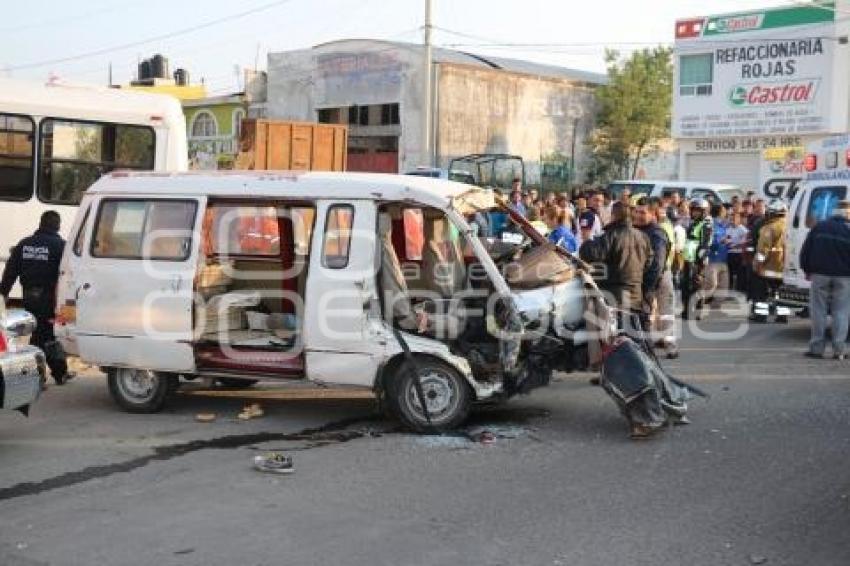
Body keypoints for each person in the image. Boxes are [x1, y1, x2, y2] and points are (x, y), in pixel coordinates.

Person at [0, 211, 73, 385]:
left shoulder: (24, 244)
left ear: (41, 224)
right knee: (46, 335)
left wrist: (3, 293)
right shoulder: (60, 246)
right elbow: (69, 273)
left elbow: (10, 271)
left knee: (40, 334)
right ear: (57, 225)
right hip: (48, 298)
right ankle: (47, 375)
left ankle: (52, 374)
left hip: (29, 297)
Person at [579, 201, 653, 334]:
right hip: (635, 294)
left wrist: (586, 240)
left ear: (614, 215)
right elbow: (649, 262)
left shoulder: (611, 235)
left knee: (615, 338)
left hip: (614, 295)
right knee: (634, 335)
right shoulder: (643, 236)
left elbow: (590, 254)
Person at [800, 200, 850, 359]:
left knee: (818, 310)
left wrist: (807, 269)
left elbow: (806, 250)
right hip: (844, 277)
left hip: (820, 275)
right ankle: (839, 350)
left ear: (833, 212)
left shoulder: (819, 227)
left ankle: (816, 349)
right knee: (841, 311)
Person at [632, 198, 669, 337]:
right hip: (638, 283)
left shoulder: (656, 233)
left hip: (652, 282)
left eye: (642, 212)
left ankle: (651, 351)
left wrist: (646, 287)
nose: (637, 215)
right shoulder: (636, 229)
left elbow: (657, 265)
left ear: (653, 214)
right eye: (636, 211)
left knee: (646, 320)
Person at [751, 200, 789, 323]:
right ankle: (782, 316)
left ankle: (761, 316)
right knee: (781, 293)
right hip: (784, 267)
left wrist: (757, 264)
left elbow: (763, 249)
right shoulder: (789, 226)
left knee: (761, 293)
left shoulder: (768, 228)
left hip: (769, 267)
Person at [681, 198, 713, 320]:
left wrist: (701, 261)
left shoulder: (706, 224)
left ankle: (697, 310)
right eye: (693, 210)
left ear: (704, 212)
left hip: (697, 259)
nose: (694, 213)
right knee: (686, 285)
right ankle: (687, 309)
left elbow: (705, 243)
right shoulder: (694, 223)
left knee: (697, 285)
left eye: (697, 211)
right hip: (689, 258)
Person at [703, 203, 730, 308]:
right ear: (719, 212)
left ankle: (716, 306)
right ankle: (699, 301)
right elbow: (709, 241)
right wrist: (721, 241)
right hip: (713, 259)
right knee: (711, 284)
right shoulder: (711, 225)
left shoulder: (723, 225)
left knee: (723, 285)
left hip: (723, 259)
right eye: (724, 210)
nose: (726, 212)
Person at [726, 211, 749, 294]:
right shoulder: (728, 229)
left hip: (739, 254)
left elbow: (744, 243)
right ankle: (728, 290)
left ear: (739, 219)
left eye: (734, 218)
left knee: (739, 274)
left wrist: (735, 246)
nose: (732, 220)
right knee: (729, 274)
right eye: (731, 218)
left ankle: (739, 291)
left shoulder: (743, 230)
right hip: (729, 253)